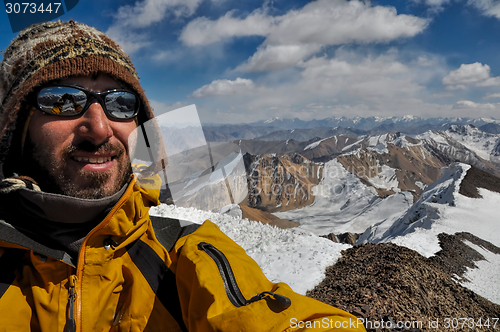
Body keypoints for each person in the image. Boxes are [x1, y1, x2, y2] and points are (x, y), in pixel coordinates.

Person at [0, 20, 365, 331]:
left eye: (121, 103)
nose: (99, 128)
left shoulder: (183, 253)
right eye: (62, 99)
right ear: (15, 129)